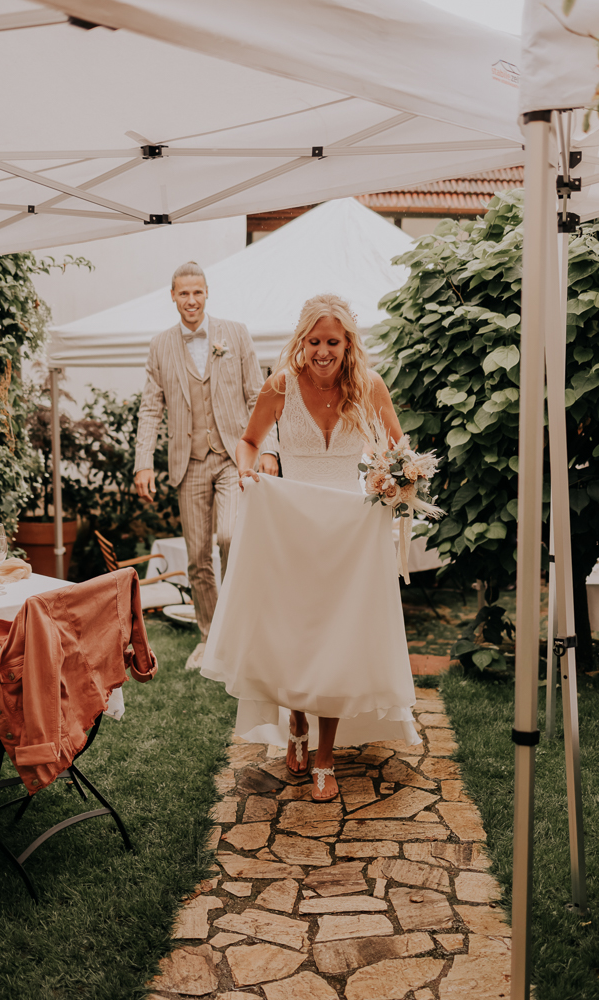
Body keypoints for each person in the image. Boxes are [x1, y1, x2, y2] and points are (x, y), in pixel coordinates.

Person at [201, 293, 420, 801]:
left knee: (336, 641)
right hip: (292, 527)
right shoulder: (279, 386)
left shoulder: (369, 388)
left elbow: (398, 449)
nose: (324, 351)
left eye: (334, 342)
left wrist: (393, 481)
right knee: (295, 636)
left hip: (349, 532)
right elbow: (248, 441)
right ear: (302, 341)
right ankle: (295, 722)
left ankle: (325, 756)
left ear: (348, 344)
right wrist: (248, 468)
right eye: (315, 341)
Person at [134, 261, 279, 671]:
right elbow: (150, 408)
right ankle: (210, 638)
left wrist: (269, 449)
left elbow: (258, 397)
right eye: (184, 293)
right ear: (173, 297)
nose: (191, 300)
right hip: (189, 464)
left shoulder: (235, 333)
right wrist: (143, 463)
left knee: (232, 538)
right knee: (197, 558)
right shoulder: (160, 345)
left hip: (235, 457)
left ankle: (241, 631)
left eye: (197, 292)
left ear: (207, 293)